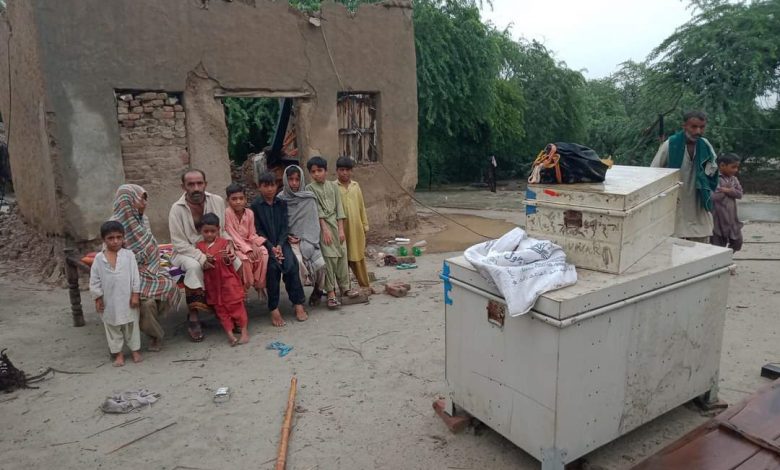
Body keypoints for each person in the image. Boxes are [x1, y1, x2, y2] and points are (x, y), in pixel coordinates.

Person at [110, 184, 180, 352]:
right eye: (141, 199)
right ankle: (155, 335)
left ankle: (152, 322)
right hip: (129, 275)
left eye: (145, 199)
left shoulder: (143, 220)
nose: (145, 203)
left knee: (169, 286)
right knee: (147, 304)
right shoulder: (113, 226)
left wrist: (150, 266)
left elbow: (150, 248)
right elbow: (113, 257)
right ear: (128, 201)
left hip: (151, 268)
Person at [169, 169, 229, 342]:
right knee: (194, 267)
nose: (196, 188)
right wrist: (201, 257)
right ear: (183, 187)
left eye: (199, 183)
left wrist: (228, 246)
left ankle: (228, 308)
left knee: (234, 260)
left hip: (213, 246)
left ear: (205, 184)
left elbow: (223, 230)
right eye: (191, 184)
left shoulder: (216, 201)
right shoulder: (176, 209)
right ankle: (194, 315)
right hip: (186, 252)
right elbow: (179, 243)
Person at [250, 171, 308, 326]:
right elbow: (257, 230)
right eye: (265, 186)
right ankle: (274, 308)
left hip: (282, 243)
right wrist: (271, 247)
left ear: (277, 186)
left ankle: (298, 303)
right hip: (265, 245)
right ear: (259, 187)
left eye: (272, 185)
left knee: (291, 265)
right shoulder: (255, 206)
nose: (269, 189)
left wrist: (280, 245)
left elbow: (284, 227)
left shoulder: (281, 203)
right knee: (272, 269)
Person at [651, 110, 719, 242]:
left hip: (698, 200)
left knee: (702, 242)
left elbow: (712, 170)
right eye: (694, 127)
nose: (698, 131)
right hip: (676, 201)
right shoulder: (671, 144)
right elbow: (654, 171)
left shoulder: (705, 145)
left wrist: (706, 174)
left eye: (702, 127)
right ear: (684, 126)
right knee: (675, 241)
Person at [89, 221, 142, 367]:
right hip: (109, 302)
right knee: (112, 328)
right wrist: (97, 298)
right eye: (110, 238)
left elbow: (135, 276)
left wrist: (135, 295)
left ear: (123, 237)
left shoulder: (128, 255)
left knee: (131, 326)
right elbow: (94, 280)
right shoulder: (99, 259)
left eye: (119, 237)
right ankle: (118, 354)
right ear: (103, 240)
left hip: (128, 299)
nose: (115, 241)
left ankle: (135, 350)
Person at [196, 213, 249, 346]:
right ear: (200, 231)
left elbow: (230, 261)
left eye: (212, 231)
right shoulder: (199, 247)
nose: (209, 234)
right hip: (213, 285)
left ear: (218, 230)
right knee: (221, 311)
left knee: (236, 307)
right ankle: (230, 335)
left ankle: (244, 332)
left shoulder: (224, 243)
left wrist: (226, 258)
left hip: (228, 282)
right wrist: (205, 260)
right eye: (206, 231)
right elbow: (200, 265)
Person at [277, 165, 326, 306]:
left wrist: (304, 237)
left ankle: (318, 291)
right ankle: (298, 297)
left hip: (308, 238)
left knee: (321, 264)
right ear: (285, 180)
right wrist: (287, 236)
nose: (294, 183)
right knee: (297, 262)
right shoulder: (280, 200)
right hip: (289, 240)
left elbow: (313, 223)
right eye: (290, 179)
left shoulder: (309, 198)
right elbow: (278, 224)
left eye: (297, 179)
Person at [306, 156, 350, 309]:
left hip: (337, 226)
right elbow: (316, 211)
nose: (317, 174)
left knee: (343, 255)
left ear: (326, 171)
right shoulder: (309, 189)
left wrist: (341, 229)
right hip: (323, 227)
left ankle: (345, 288)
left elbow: (339, 208)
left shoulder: (333, 186)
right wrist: (324, 230)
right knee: (329, 260)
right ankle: (331, 292)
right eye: (313, 172)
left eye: (320, 170)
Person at [224, 183, 268, 296]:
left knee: (263, 253)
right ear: (228, 200)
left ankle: (259, 284)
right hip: (235, 245)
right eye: (234, 199)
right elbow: (232, 234)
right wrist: (247, 250)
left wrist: (254, 244)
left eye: (241, 198)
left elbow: (252, 233)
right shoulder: (227, 213)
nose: (238, 202)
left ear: (245, 199)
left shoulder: (249, 213)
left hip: (248, 242)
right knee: (244, 260)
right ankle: (246, 287)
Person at [336, 157, 370, 288]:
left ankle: (365, 285)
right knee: (342, 259)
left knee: (358, 257)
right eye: (341, 170)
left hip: (356, 228)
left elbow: (361, 207)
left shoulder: (356, 186)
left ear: (351, 171)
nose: (344, 173)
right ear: (337, 171)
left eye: (347, 170)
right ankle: (345, 288)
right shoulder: (333, 187)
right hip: (341, 229)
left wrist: (365, 225)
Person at [711, 153, 743, 252]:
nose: (735, 170)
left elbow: (740, 194)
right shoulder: (714, 178)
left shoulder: (734, 179)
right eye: (733, 167)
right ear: (722, 165)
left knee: (737, 242)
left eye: (737, 167)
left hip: (732, 219)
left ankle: (727, 256)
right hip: (718, 219)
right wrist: (727, 191)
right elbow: (713, 197)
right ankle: (720, 259)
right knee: (717, 246)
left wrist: (728, 190)